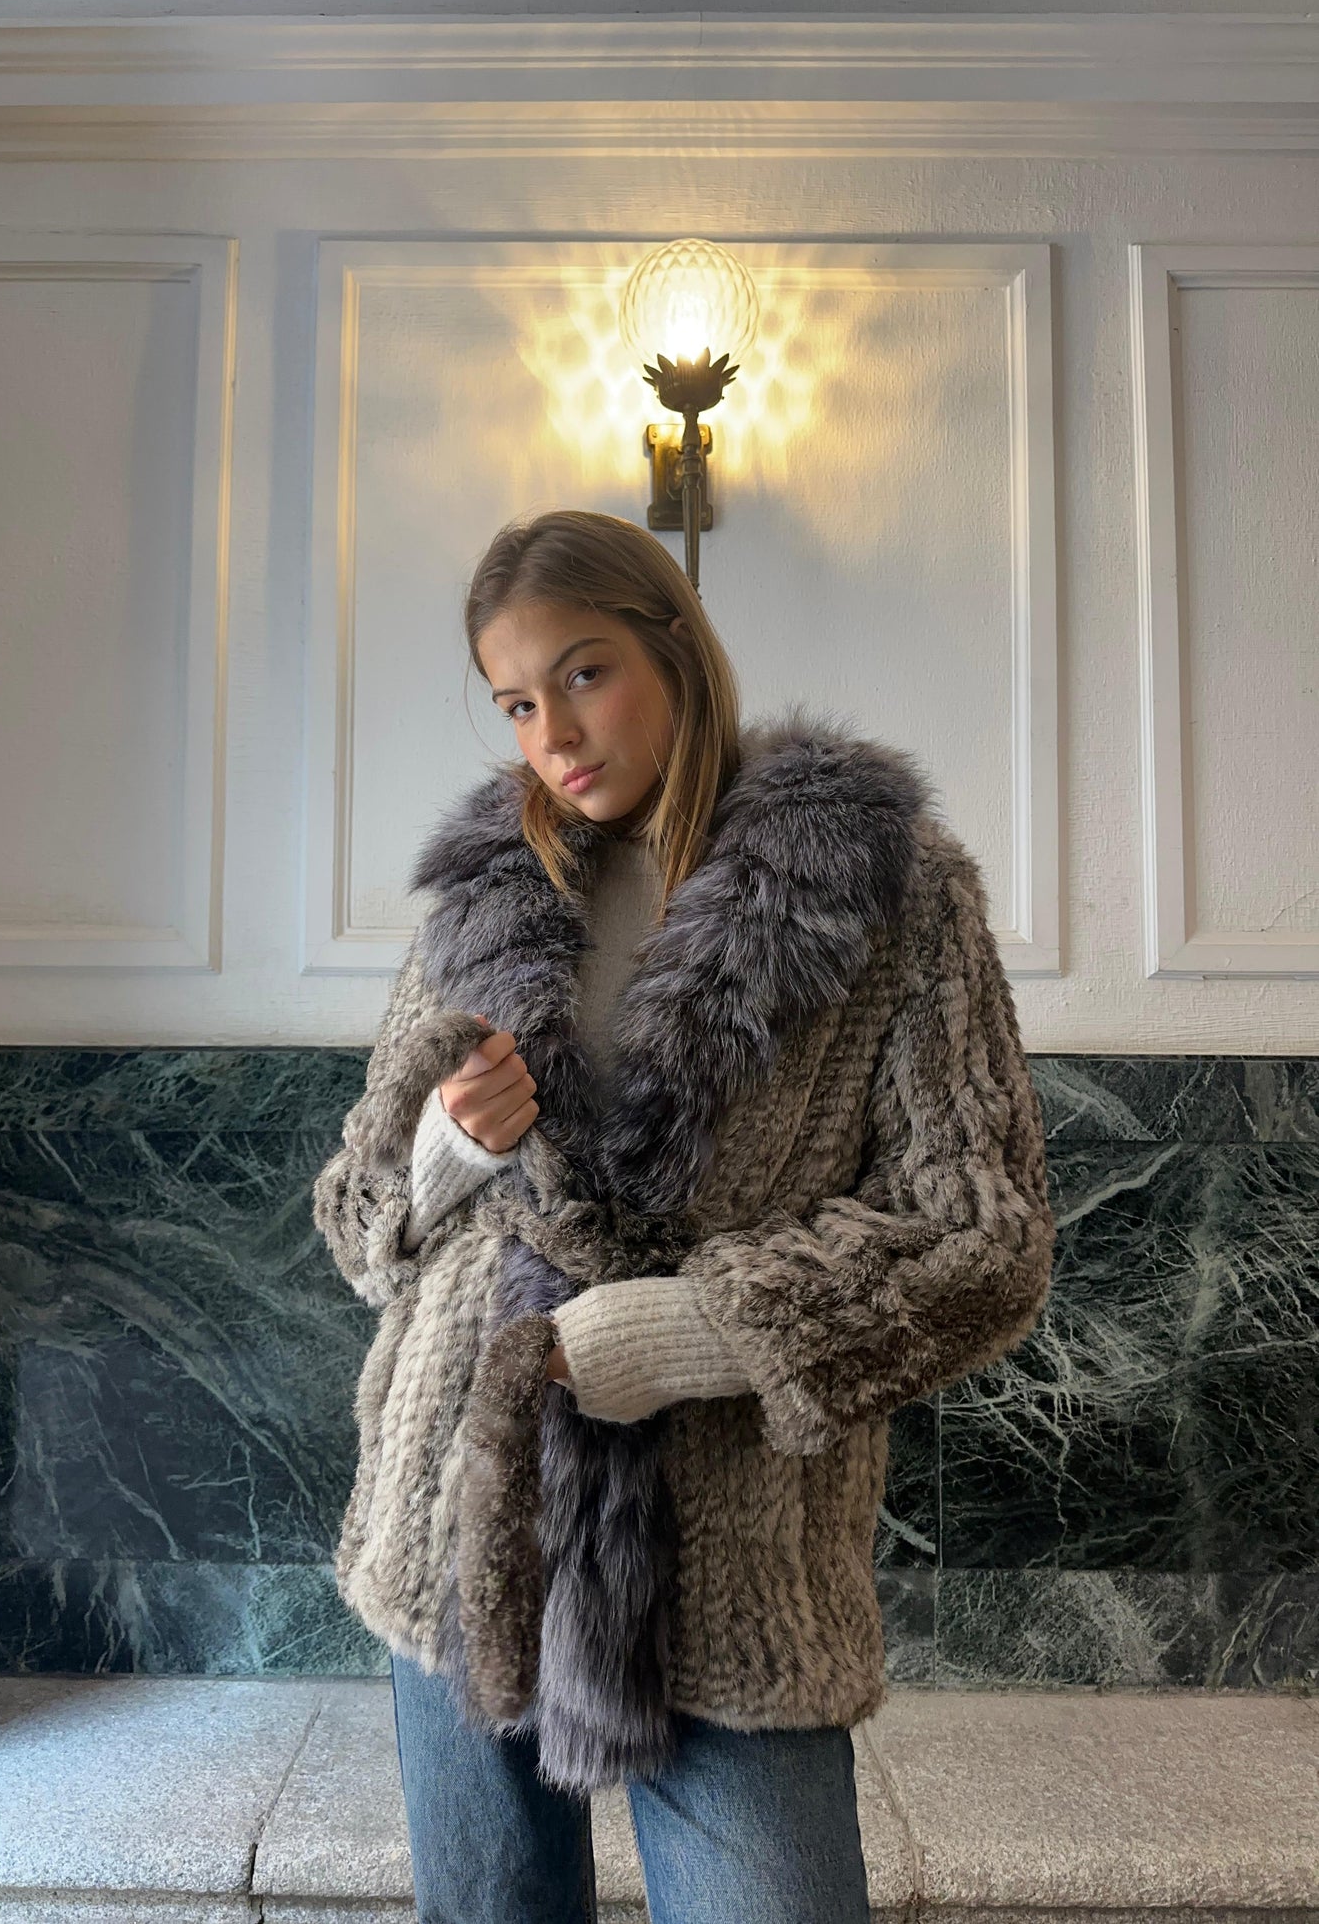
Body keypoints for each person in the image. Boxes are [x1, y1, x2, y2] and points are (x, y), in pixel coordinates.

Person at [311, 508, 1057, 1924]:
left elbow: (984, 1237)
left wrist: (694, 1329)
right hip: (462, 1521)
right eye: (516, 702)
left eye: (584, 674)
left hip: (734, 1557)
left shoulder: (885, 890)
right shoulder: (484, 897)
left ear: (677, 648)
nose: (553, 735)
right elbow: (359, 1222)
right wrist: (444, 1153)